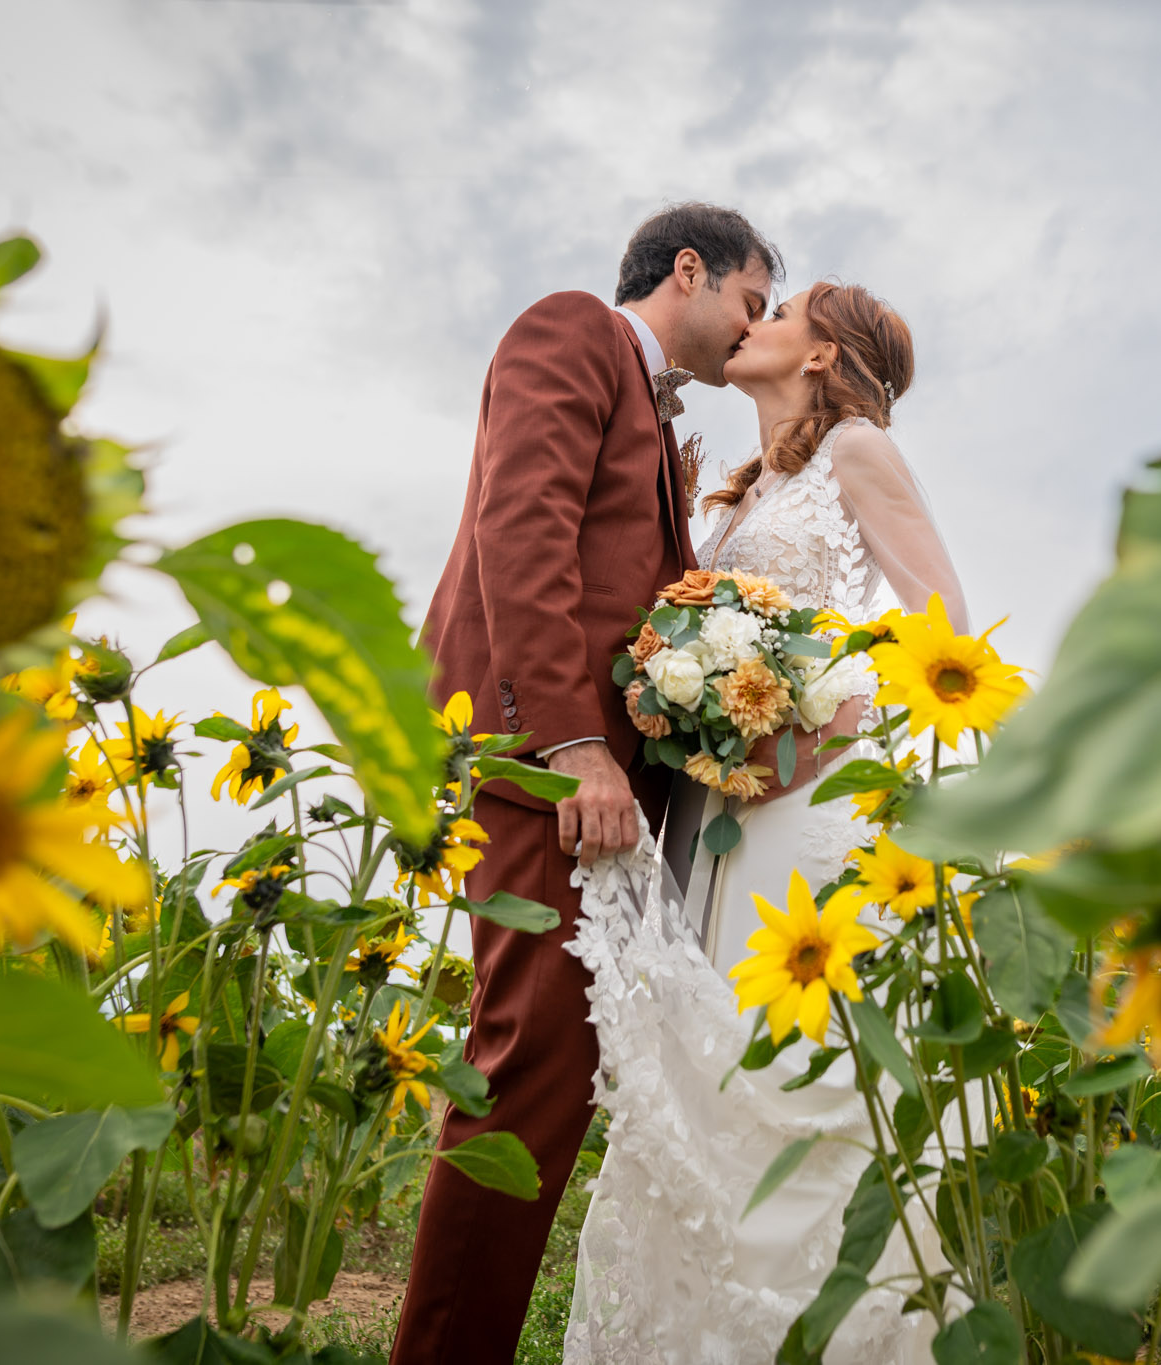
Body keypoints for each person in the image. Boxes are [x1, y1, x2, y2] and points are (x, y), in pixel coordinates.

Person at [391, 203, 780, 1365]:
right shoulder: (567, 330)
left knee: (553, 1080)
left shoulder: (664, 430)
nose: (748, 329)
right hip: (536, 768)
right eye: (749, 303)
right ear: (688, 269)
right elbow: (522, 532)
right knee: (525, 1069)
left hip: (599, 788)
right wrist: (568, 745)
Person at [563, 280, 969, 1363]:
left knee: (800, 1072)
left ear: (824, 355)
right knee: (713, 1068)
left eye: (779, 311)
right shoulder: (738, 497)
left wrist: (819, 728)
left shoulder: (857, 454)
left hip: (806, 802)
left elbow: (939, 626)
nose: (753, 321)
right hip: (718, 805)